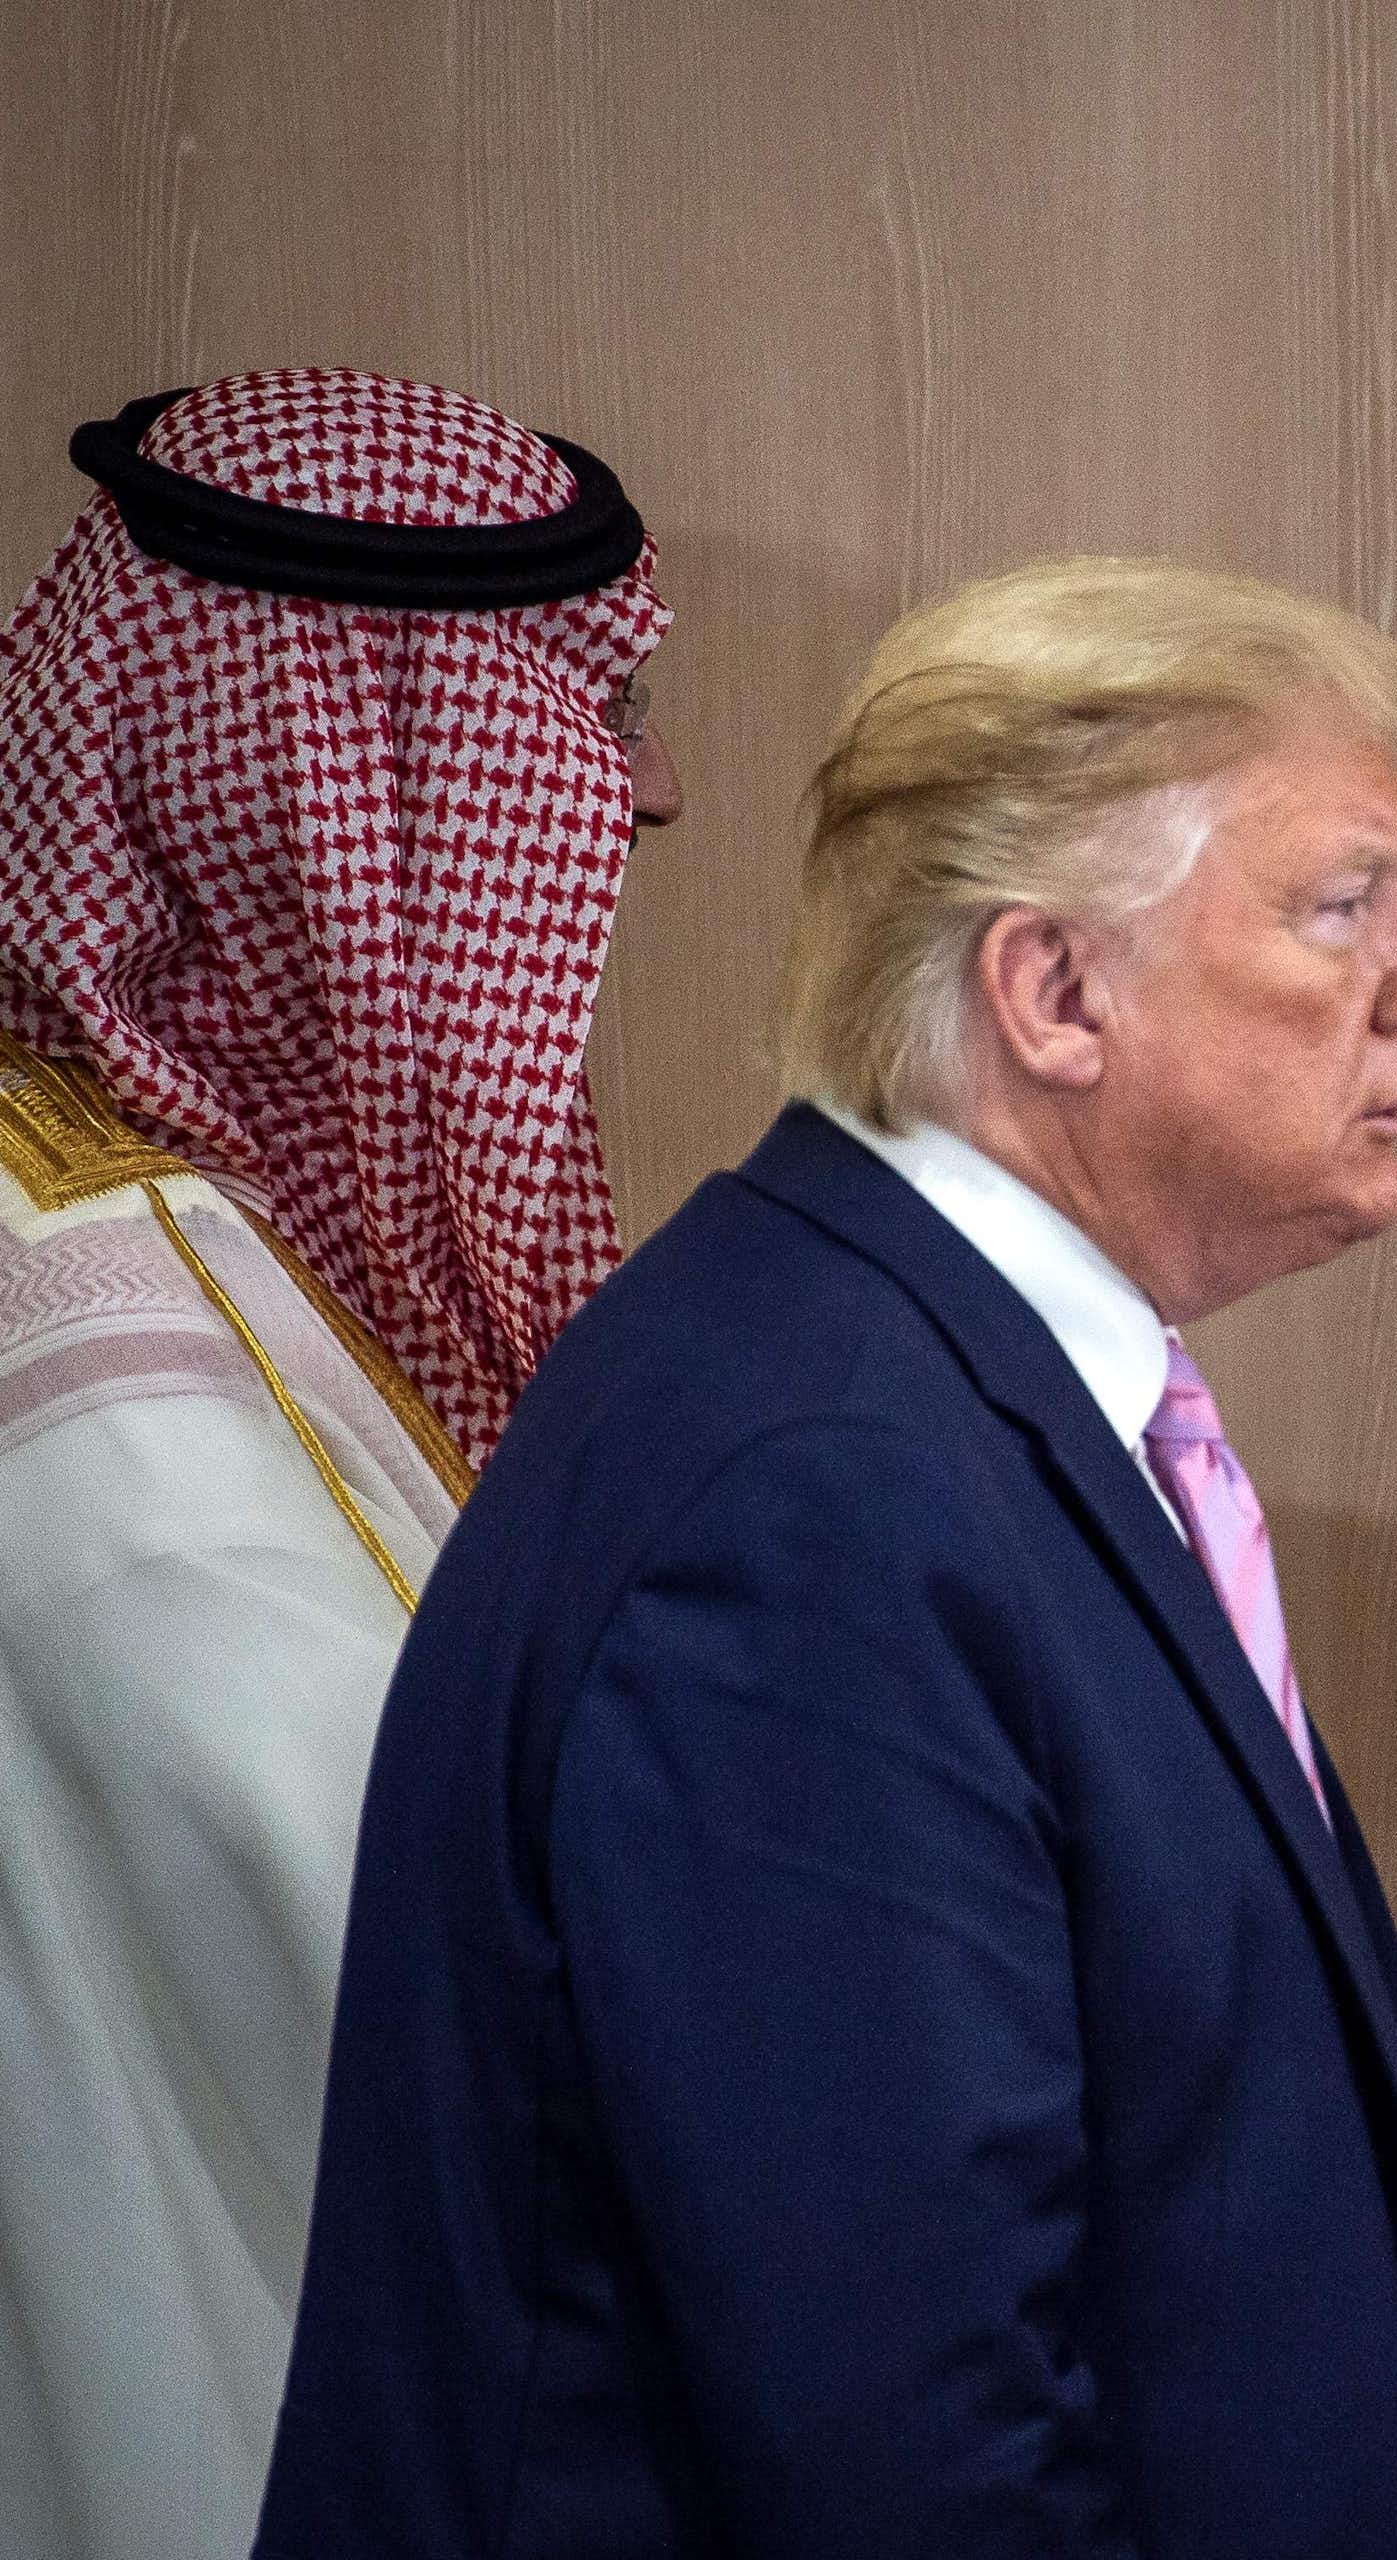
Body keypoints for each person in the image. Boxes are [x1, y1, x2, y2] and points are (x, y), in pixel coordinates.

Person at [252, 556, 1397, 2560]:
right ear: (1052, 991)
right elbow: (914, 2456)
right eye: (1337, 902)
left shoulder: (915, 1385)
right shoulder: (821, 1498)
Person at [0, 367, 678, 2560]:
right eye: (584, 718)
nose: (649, 797)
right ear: (327, 787)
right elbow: (392, 1927)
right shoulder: (91, 1326)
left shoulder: (190, 1220)